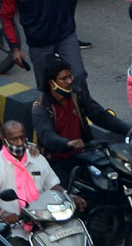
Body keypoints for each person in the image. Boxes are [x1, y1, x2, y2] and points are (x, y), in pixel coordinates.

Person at [0, 120, 83, 244]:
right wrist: (3, 214)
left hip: (46, 225)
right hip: (14, 232)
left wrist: (68, 196)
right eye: (14, 139)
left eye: (22, 138)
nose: (19, 143)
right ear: (5, 141)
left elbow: (52, 185)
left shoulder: (37, 158)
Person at [32, 57, 130, 185]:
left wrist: (127, 128)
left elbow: (99, 115)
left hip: (84, 153)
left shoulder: (76, 94)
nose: (69, 81)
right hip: (57, 161)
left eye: (70, 76)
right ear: (52, 83)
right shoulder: (40, 107)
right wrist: (68, 143)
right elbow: (48, 137)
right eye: (64, 79)